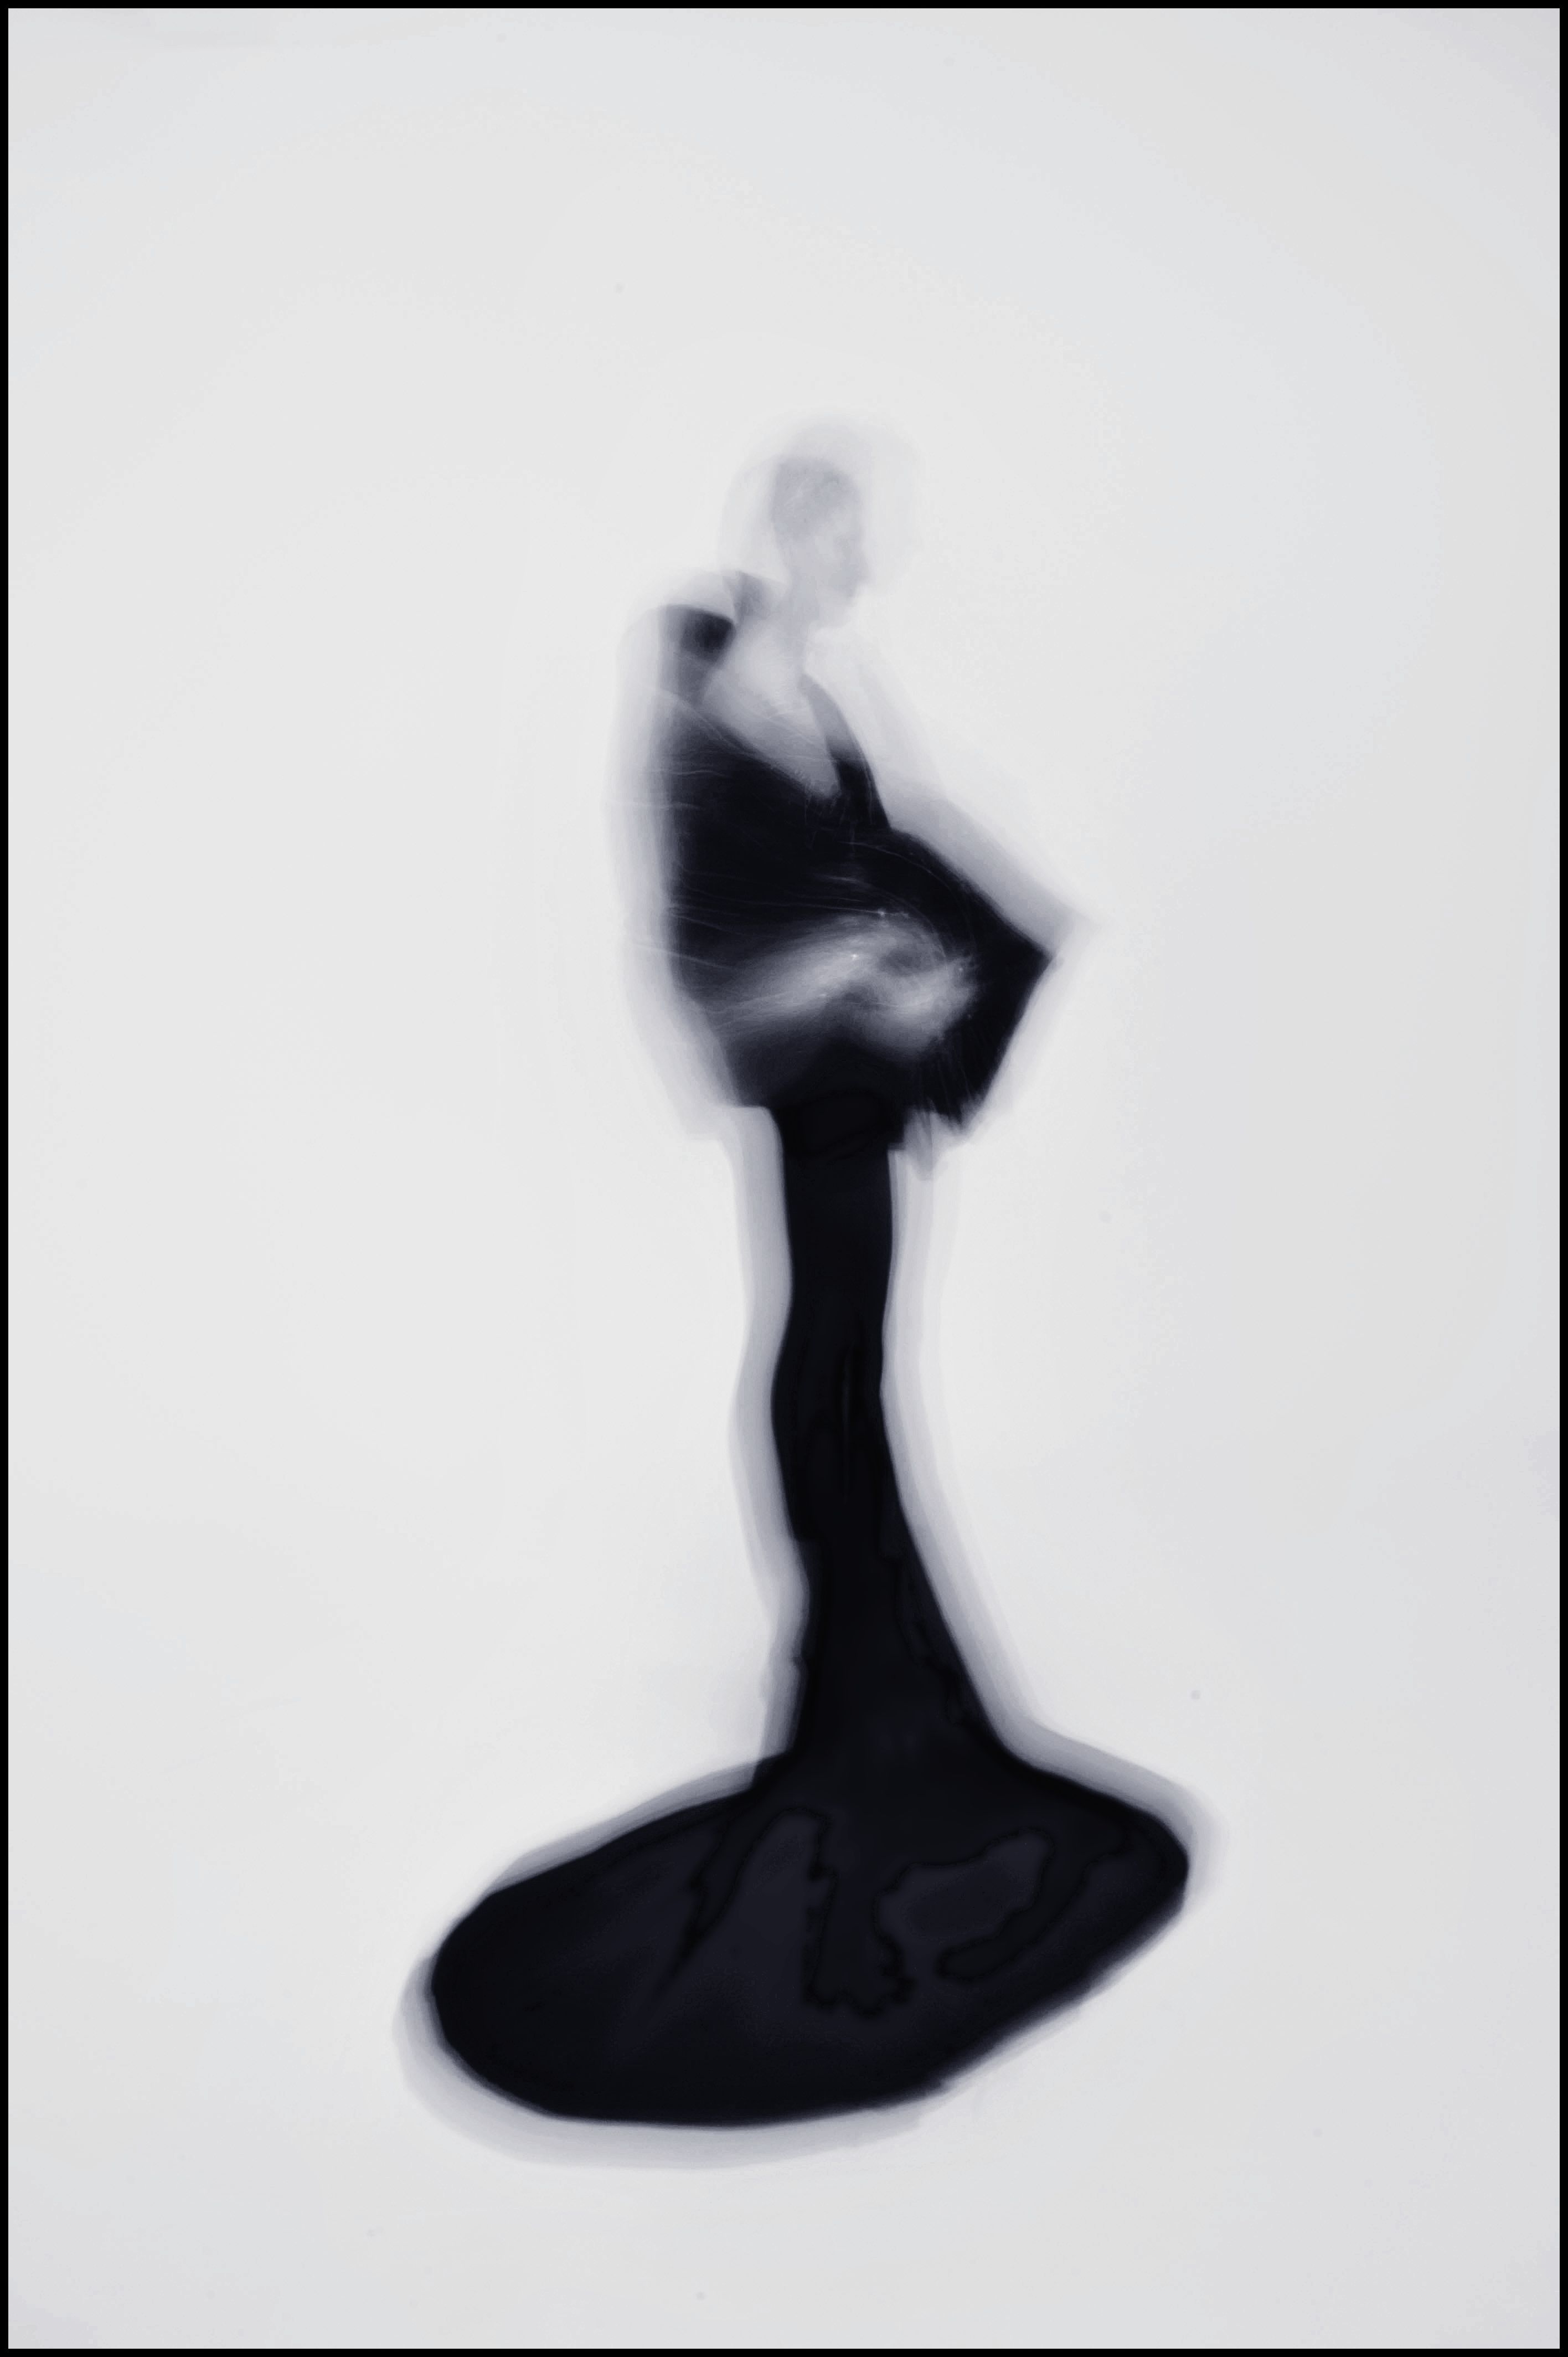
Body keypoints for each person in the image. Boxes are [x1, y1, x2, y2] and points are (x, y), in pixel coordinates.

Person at [429, 447, 1188, 2124]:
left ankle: (861, 1661)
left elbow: (880, 861)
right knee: (825, 1347)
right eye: (841, 536)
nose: (861, 565)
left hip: (852, 1070)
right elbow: (701, 917)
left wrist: (925, 958)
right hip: (810, 1075)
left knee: (851, 1355)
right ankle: (849, 1682)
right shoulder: (707, 693)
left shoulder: (826, 701)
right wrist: (848, 963)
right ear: (780, 533)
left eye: (863, 540)